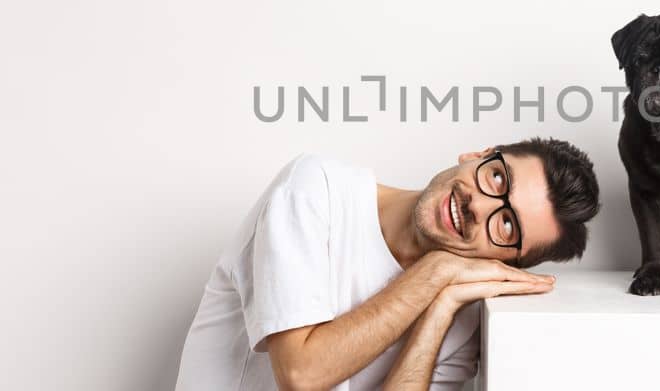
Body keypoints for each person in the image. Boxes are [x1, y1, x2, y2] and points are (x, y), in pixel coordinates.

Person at [174, 137, 602, 391]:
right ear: (477, 155)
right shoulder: (315, 189)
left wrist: (438, 310)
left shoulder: (461, 311)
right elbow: (300, 375)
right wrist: (433, 273)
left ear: (507, 262)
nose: (479, 206)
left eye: (506, 226)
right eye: (497, 179)